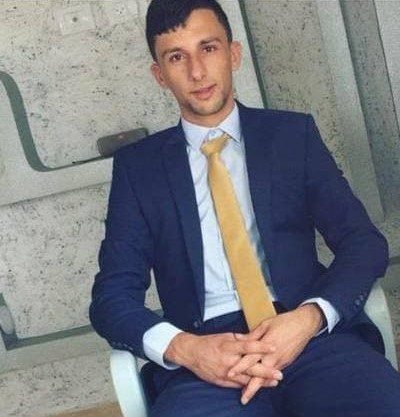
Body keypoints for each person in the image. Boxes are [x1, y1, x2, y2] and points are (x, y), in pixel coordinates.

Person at [90, 0, 400, 415]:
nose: (197, 72)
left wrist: (309, 317)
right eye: (177, 57)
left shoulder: (291, 136)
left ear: (233, 54)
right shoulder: (139, 169)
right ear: (160, 75)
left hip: (308, 337)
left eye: (208, 48)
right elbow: (111, 298)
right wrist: (187, 349)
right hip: (205, 362)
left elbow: (363, 243)